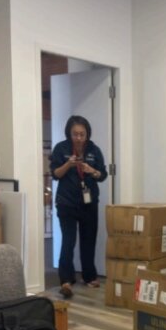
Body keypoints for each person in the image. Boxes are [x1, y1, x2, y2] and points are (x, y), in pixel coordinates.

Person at [50, 116, 108, 298]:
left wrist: (92, 171)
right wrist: (68, 164)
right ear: (69, 133)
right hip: (66, 202)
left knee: (88, 240)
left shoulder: (94, 150)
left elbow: (103, 175)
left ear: (87, 134)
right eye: (75, 134)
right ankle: (66, 279)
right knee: (68, 241)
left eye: (82, 134)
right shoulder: (61, 148)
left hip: (88, 202)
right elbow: (55, 174)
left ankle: (89, 276)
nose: (79, 138)